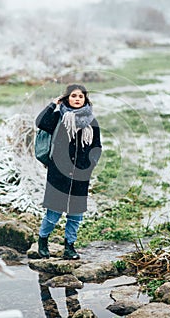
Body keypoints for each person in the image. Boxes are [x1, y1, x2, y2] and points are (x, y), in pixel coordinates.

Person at [35, 84, 102, 260]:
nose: (77, 99)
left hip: (81, 175)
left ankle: (69, 247)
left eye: (81, 96)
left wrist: (91, 164)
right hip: (58, 173)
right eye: (73, 96)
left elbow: (97, 146)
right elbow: (40, 122)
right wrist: (53, 103)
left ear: (85, 99)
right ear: (67, 98)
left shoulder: (92, 122)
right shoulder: (58, 117)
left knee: (75, 215)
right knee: (53, 213)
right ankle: (42, 241)